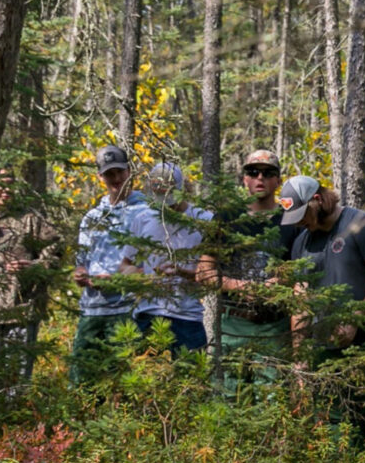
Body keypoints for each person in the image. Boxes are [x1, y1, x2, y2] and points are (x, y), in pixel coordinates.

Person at [281, 174, 365, 441]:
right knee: (331, 421)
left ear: (318, 200)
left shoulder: (362, 225)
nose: (300, 222)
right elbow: (300, 298)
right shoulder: (302, 242)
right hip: (323, 347)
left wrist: (355, 319)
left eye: (303, 214)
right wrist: (299, 356)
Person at [211, 150, 300, 390]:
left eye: (268, 173)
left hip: (274, 324)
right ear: (244, 178)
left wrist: (280, 280)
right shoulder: (226, 218)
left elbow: (302, 270)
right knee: (228, 399)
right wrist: (239, 286)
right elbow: (204, 272)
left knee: (273, 401)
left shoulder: (292, 221)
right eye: (253, 172)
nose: (260, 178)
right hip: (233, 325)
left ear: (278, 181)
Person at [70, 145, 146, 385]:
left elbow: (154, 265)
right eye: (109, 174)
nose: (115, 179)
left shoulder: (145, 212)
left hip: (126, 311)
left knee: (121, 384)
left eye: (119, 172)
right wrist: (81, 273)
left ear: (129, 172)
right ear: (99, 176)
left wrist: (119, 280)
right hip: (91, 310)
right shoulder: (92, 217)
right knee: (82, 382)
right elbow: (81, 261)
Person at [0, 170, 60, 382]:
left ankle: (20, 414)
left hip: (20, 311)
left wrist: (34, 266)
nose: (6, 190)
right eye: (0, 184)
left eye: (10, 184)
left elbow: (55, 250)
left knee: (15, 382)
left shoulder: (29, 219)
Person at [130, 163, 213, 354]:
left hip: (188, 319)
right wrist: (145, 279)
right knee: (145, 380)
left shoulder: (205, 220)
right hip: (147, 316)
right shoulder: (142, 218)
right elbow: (126, 266)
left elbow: (211, 275)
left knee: (191, 381)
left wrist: (183, 273)